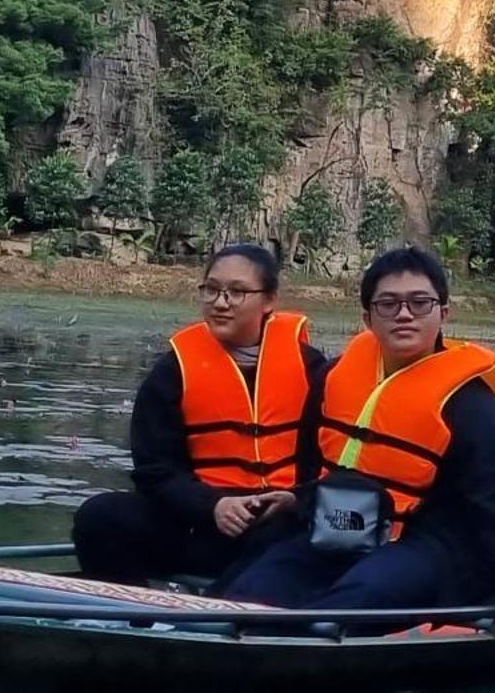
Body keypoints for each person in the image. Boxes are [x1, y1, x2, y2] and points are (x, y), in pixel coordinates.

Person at [225, 247, 495, 692]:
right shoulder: (334, 378)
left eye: (420, 303)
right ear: (367, 317)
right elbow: (320, 473)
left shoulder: (471, 407)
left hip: (437, 546)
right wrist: (298, 499)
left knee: (349, 606)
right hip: (345, 532)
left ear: (444, 312)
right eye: (389, 304)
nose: (404, 315)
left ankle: (292, 667)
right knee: (243, 600)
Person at [73, 242, 325, 585]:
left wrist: (295, 500)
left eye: (237, 292)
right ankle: (135, 618)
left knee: (293, 539)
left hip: (278, 522)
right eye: (212, 290)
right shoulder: (173, 370)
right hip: (199, 522)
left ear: (269, 300)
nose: (221, 303)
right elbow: (155, 471)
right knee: (100, 517)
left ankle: (223, 610)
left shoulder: (312, 370)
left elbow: (331, 461)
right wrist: (212, 505)